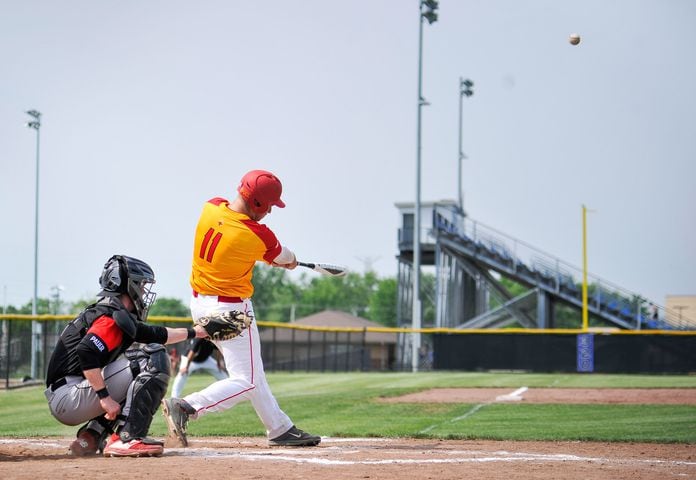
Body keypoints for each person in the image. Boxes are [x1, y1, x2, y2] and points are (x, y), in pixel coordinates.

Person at [162, 169, 320, 447]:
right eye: (269, 206)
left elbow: (254, 248)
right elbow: (282, 255)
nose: (270, 212)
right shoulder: (257, 233)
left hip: (199, 304)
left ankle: (280, 428)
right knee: (246, 380)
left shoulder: (210, 206)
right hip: (232, 313)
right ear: (257, 203)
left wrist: (277, 258)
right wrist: (292, 260)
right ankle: (187, 405)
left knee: (252, 373)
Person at [45, 255, 208, 457]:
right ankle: (128, 438)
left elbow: (158, 334)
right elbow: (86, 351)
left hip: (67, 393)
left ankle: (90, 436)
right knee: (150, 358)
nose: (143, 291)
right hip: (69, 396)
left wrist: (198, 332)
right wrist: (104, 398)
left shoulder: (115, 313)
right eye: (141, 285)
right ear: (126, 284)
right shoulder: (110, 316)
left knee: (140, 364)